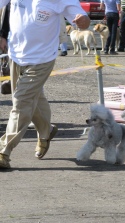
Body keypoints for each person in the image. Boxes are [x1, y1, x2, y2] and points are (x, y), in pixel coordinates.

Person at [0, 0, 90, 169]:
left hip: (42, 58)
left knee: (21, 102)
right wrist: (2, 34)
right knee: (32, 99)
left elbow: (84, 21)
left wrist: (82, 21)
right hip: (15, 54)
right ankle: (46, 131)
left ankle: (3, 151)